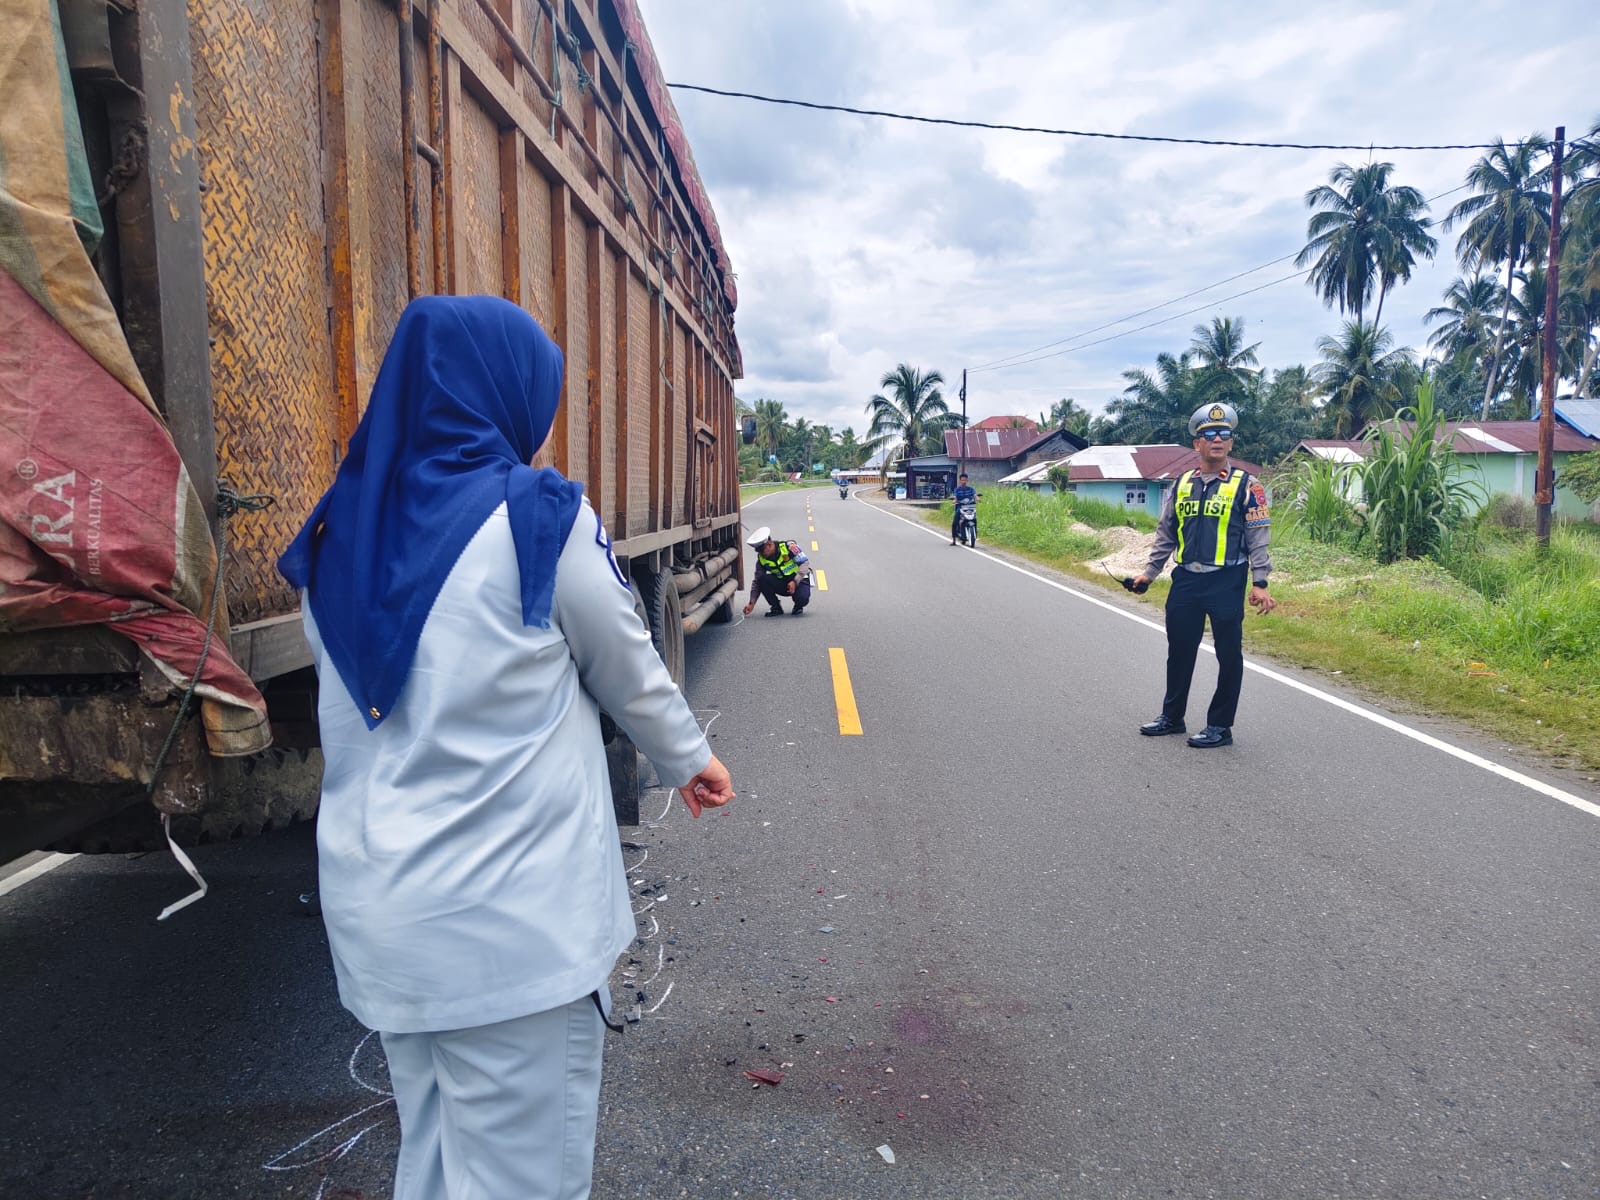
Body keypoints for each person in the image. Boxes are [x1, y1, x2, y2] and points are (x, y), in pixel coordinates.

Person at [277, 296, 734, 1200]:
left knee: (438, 1158)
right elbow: (625, 662)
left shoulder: (338, 537)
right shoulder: (538, 517)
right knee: (521, 1179)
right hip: (511, 935)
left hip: (385, 919)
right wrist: (691, 759)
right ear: (505, 393)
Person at [1133, 401, 1277, 749]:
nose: (1216, 439)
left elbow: (1259, 536)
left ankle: (1220, 726)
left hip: (1227, 580)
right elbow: (1166, 534)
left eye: (1224, 434)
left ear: (1231, 443)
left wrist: (1260, 582)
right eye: (1208, 434)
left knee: (1229, 655)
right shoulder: (1180, 484)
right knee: (1179, 650)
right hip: (1186, 581)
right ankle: (1172, 717)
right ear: (1196, 443)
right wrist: (1149, 574)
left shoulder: (1249, 486)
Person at [741, 526, 812, 616]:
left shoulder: (789, 547)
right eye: (758, 551)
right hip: (783, 584)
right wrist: (751, 603)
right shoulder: (762, 560)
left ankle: (798, 606)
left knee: (802, 598)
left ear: (769, 544)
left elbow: (804, 563)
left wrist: (795, 581)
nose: (761, 554)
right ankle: (776, 608)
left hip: (799, 580)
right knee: (761, 579)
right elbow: (756, 581)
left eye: (762, 550)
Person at [950, 472, 979, 545]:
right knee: (954, 523)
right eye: (962, 480)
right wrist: (954, 501)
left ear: (967, 480)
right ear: (960, 481)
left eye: (965, 480)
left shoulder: (971, 489)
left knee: (975, 519)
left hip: (970, 508)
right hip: (960, 508)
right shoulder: (957, 490)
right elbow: (955, 497)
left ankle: (975, 534)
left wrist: (977, 499)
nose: (964, 481)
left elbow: (975, 495)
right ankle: (954, 540)